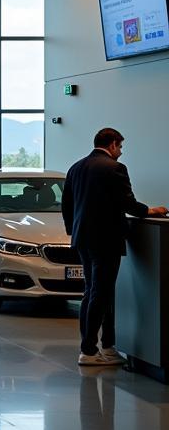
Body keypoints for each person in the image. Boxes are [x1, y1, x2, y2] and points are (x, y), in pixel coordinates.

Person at [62, 127, 167, 366]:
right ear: (111, 144)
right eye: (120, 146)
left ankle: (107, 347)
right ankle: (89, 350)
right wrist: (151, 210)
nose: (120, 152)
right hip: (106, 240)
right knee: (101, 292)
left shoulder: (76, 167)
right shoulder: (115, 168)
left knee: (94, 291)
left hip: (83, 239)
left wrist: (74, 232)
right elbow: (127, 203)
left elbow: (67, 205)